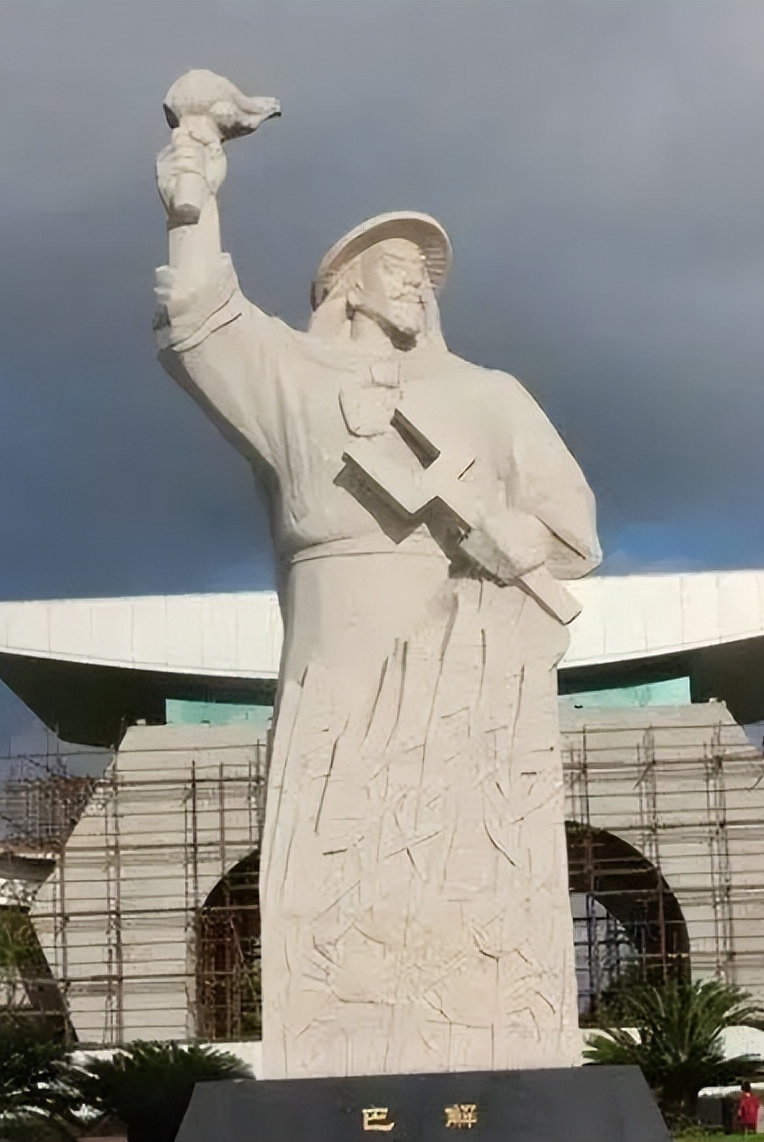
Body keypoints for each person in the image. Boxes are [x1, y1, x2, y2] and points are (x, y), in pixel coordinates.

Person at [155, 113, 600, 1080]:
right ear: (343, 286)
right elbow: (202, 318)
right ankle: (341, 1039)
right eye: (394, 264)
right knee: (338, 830)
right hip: (338, 624)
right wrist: (196, 194)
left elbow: (572, 533)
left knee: (465, 841)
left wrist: (504, 538)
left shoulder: (491, 394)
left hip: (465, 634)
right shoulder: (296, 380)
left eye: (425, 274)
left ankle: (496, 1034)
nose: (416, 283)